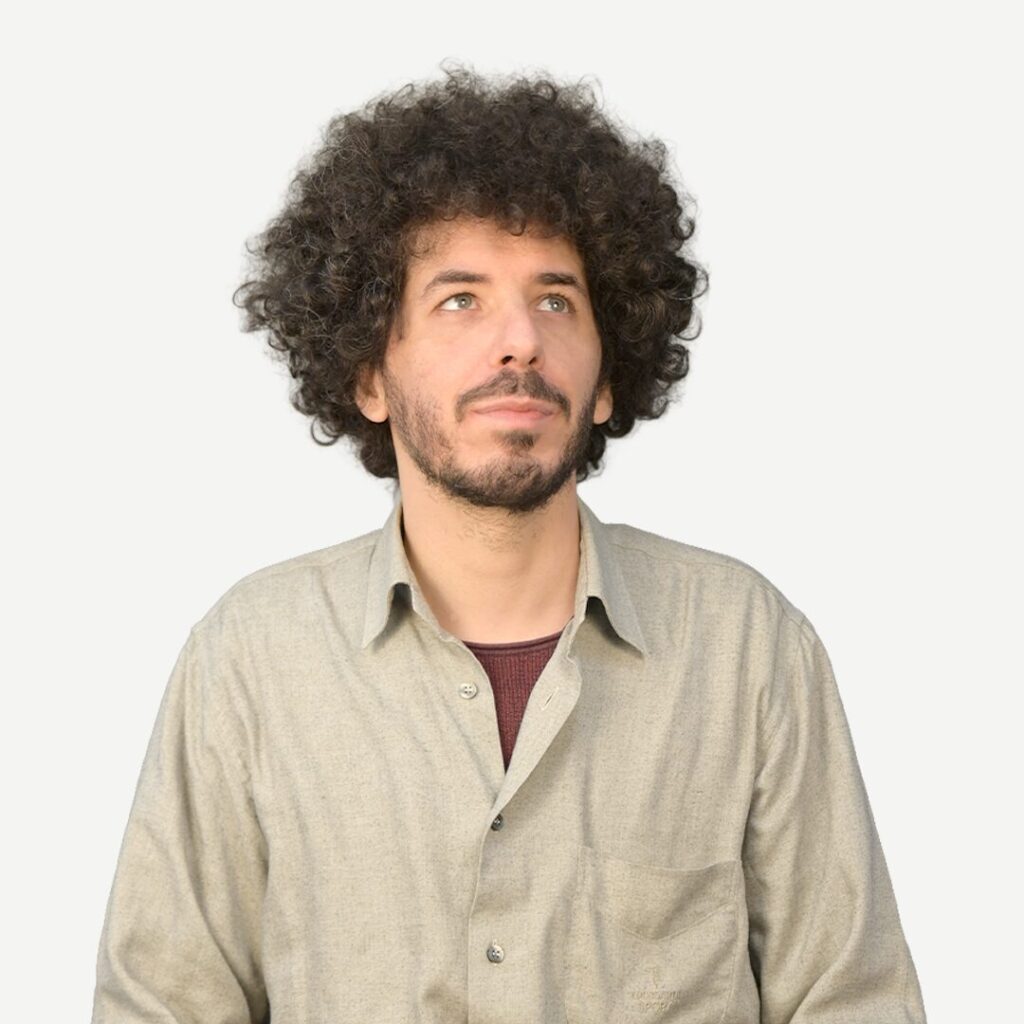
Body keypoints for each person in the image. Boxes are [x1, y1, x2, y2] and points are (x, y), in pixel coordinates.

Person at [90, 64, 928, 1023]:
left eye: (557, 300)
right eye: (460, 300)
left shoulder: (746, 646)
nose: (520, 340)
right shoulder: (250, 659)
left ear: (607, 380)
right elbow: (161, 1006)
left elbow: (854, 1001)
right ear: (369, 375)